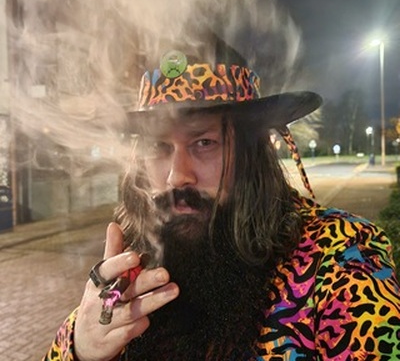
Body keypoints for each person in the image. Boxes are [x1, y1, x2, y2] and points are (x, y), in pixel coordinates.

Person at [43, 50, 400, 361]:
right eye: (157, 147)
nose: (176, 177)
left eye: (204, 142)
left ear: (251, 153)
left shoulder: (339, 257)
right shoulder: (133, 268)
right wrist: (81, 348)